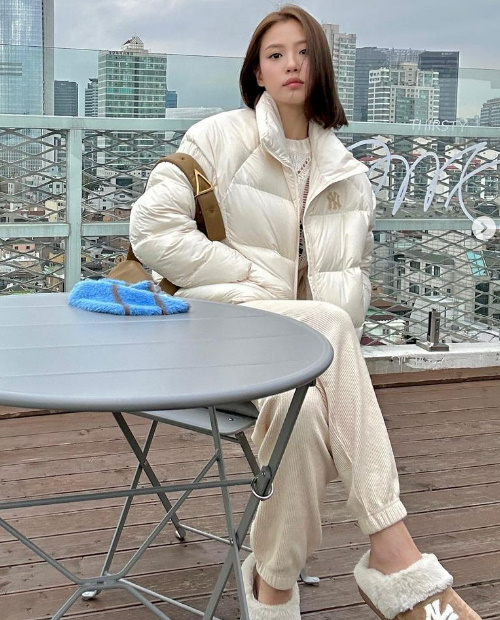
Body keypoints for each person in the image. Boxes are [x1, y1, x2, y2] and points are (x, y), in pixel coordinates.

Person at [129, 5, 481, 619]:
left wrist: (316, 339)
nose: (291, 64)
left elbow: (353, 281)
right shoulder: (217, 138)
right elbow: (152, 230)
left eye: (304, 52)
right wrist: (251, 279)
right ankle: (393, 552)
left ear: (321, 68)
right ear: (257, 72)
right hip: (220, 333)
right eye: (276, 54)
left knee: (309, 411)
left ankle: (272, 590)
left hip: (297, 355)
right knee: (329, 326)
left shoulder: (350, 176)